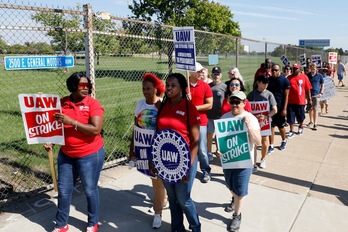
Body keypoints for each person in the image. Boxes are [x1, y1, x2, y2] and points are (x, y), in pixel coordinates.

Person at [45, 72, 105, 232]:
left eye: (88, 86)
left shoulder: (93, 104)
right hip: (67, 154)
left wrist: (72, 122)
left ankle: (93, 222)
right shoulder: (62, 103)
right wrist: (50, 140)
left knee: (90, 189)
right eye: (81, 86)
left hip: (90, 154)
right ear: (73, 86)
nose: (86, 88)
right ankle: (61, 224)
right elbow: (55, 126)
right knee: (64, 191)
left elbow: (95, 129)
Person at [156, 73, 201, 232]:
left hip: (185, 161)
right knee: (173, 198)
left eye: (173, 85)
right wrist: (153, 159)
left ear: (182, 88)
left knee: (183, 199)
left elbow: (196, 140)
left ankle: (195, 227)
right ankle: (177, 228)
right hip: (165, 161)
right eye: (167, 84)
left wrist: (188, 166)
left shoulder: (190, 108)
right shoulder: (162, 106)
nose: (168, 88)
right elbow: (157, 132)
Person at [216, 91, 261, 232]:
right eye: (232, 101)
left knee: (240, 190)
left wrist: (248, 127)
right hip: (228, 160)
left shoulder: (250, 118)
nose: (235, 105)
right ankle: (233, 199)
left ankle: (237, 215)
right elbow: (220, 140)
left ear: (244, 103)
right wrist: (218, 150)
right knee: (230, 185)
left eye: (238, 102)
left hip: (244, 161)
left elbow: (258, 141)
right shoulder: (224, 117)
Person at [128, 73, 167, 229]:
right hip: (144, 148)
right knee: (154, 179)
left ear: (156, 89)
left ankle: (158, 213)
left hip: (159, 149)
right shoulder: (139, 104)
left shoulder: (162, 105)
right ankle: (162, 201)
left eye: (148, 88)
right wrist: (131, 149)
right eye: (143, 88)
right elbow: (136, 127)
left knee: (158, 180)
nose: (145, 91)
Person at [188, 62, 213, 183]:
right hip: (186, 122)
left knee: (202, 149)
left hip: (201, 122)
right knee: (187, 147)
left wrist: (195, 108)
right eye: (198, 71)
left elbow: (210, 104)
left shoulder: (205, 86)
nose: (200, 73)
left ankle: (206, 170)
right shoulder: (184, 86)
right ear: (190, 72)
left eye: (201, 71)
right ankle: (188, 168)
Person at [247, 75, 277, 170]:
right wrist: (254, 117)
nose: (265, 85)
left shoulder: (269, 94)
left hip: (265, 122)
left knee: (264, 140)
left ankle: (263, 159)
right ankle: (254, 162)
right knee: (254, 142)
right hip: (254, 122)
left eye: (267, 83)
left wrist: (267, 116)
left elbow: (274, 109)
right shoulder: (252, 94)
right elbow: (247, 109)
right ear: (258, 83)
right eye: (263, 83)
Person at [267, 64, 290, 153]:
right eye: (272, 70)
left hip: (280, 107)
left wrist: (284, 109)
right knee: (271, 127)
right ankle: (271, 145)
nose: (274, 72)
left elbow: (286, 95)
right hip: (271, 107)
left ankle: (284, 140)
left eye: (276, 70)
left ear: (279, 70)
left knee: (280, 126)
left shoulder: (284, 80)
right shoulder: (269, 80)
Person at [286, 63, 312, 138]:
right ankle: (291, 130)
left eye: (296, 68)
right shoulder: (289, 78)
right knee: (291, 117)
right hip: (291, 101)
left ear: (299, 69)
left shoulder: (304, 77)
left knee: (301, 116)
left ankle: (300, 127)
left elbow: (308, 89)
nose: (294, 70)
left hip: (300, 101)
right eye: (293, 68)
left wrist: (309, 99)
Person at [207, 66, 226, 161]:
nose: (216, 76)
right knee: (209, 134)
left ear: (221, 75)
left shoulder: (224, 87)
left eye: (218, 74)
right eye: (214, 74)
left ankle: (219, 151)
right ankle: (209, 152)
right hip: (209, 115)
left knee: (219, 135)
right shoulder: (208, 86)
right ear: (211, 75)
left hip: (220, 115)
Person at [306, 63, 324, 130]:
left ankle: (315, 123)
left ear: (316, 68)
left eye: (314, 68)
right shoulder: (307, 76)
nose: (312, 70)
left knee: (315, 109)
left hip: (316, 95)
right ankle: (311, 121)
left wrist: (321, 93)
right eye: (311, 68)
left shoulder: (319, 76)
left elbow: (322, 84)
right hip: (309, 95)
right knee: (310, 109)